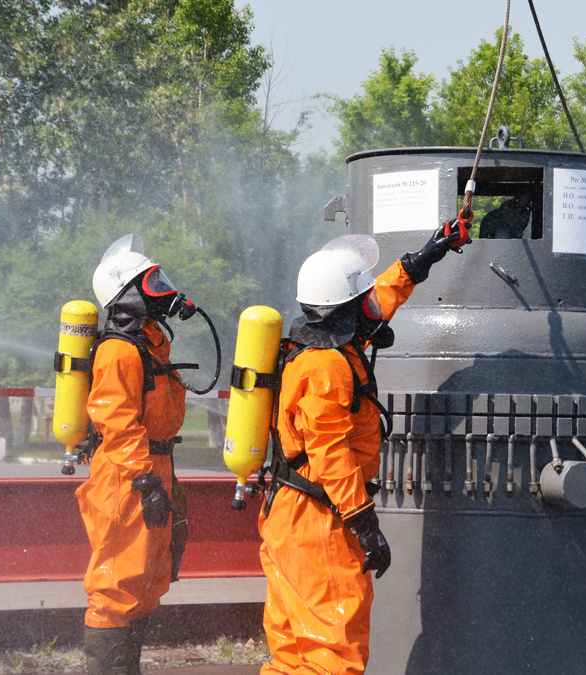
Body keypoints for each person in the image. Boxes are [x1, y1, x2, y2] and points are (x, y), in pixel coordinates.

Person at [259, 223, 466, 674]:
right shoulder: (328, 366)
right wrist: (365, 525)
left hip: (291, 515)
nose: (368, 308)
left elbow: (377, 303)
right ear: (343, 308)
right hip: (320, 520)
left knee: (293, 653)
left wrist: (425, 257)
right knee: (335, 653)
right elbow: (330, 456)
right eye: (359, 301)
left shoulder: (314, 343)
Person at [77, 234, 208, 674]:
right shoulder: (119, 350)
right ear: (128, 294)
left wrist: (157, 478)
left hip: (152, 472)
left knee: (148, 581)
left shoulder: (149, 345)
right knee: (117, 584)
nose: (164, 288)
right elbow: (115, 422)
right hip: (128, 479)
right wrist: (145, 479)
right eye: (152, 281)